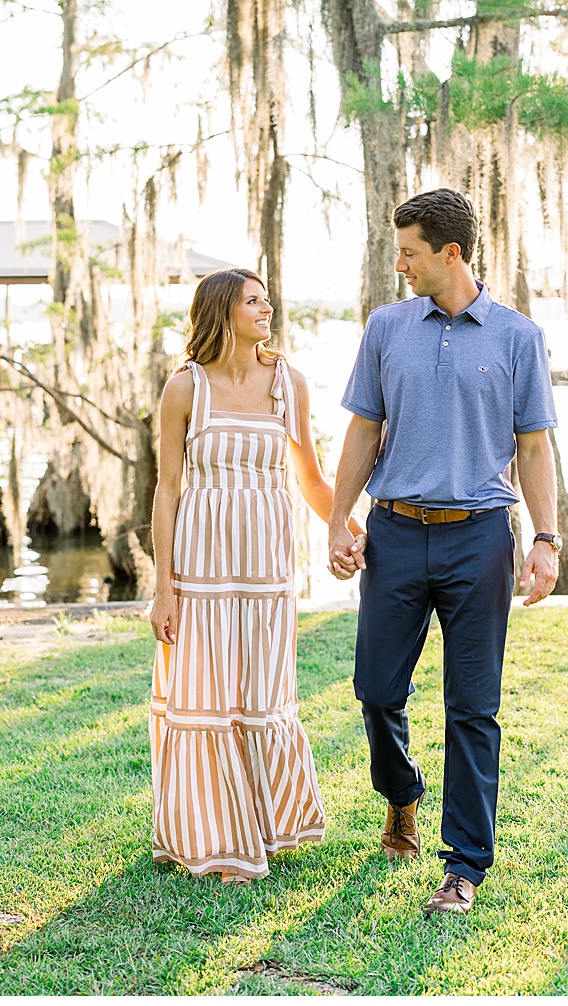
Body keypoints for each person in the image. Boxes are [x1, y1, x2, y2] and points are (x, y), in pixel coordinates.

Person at [327, 188, 560, 917]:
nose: (399, 265)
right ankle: (402, 795)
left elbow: (533, 447)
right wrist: (339, 518)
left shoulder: (517, 337)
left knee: (473, 708)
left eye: (410, 253)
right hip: (394, 532)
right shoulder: (386, 326)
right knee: (375, 689)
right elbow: (364, 430)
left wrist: (547, 541)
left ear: (450, 253)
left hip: (480, 535)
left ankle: (463, 866)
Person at [147, 268, 361, 884]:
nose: (266, 309)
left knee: (263, 695)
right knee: (208, 697)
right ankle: (214, 835)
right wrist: (164, 588)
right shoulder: (185, 388)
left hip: (268, 567)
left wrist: (342, 526)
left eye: (267, 299)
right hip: (202, 568)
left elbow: (312, 481)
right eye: (253, 301)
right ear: (221, 312)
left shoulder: (288, 384)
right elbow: (167, 489)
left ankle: (264, 823)